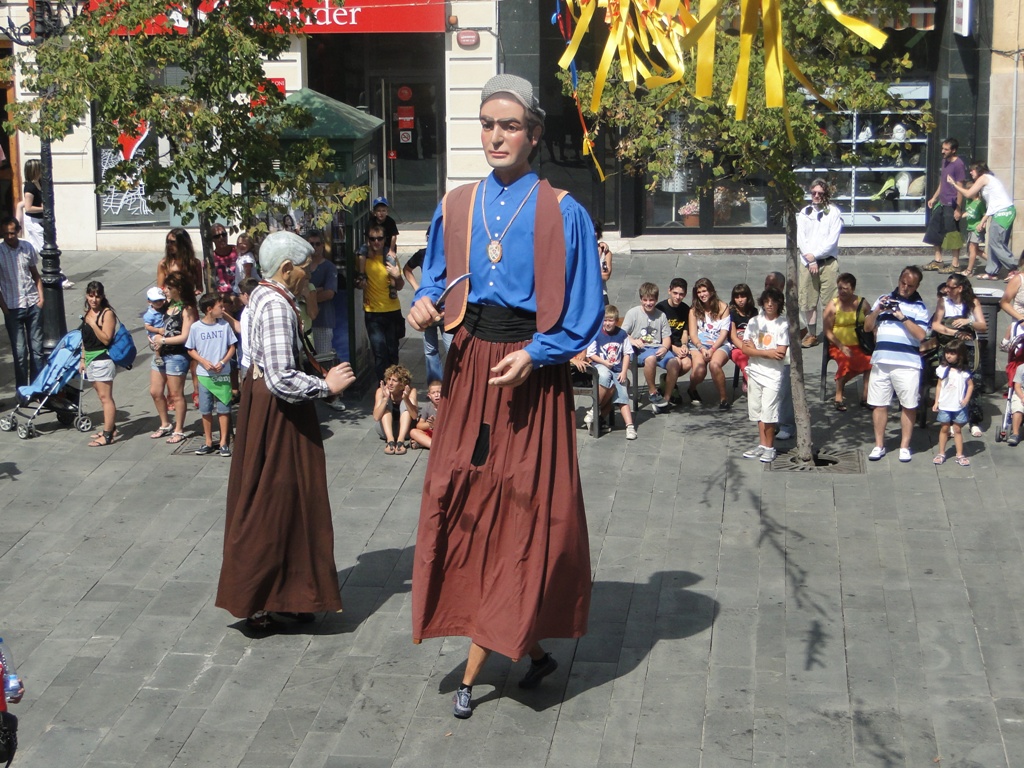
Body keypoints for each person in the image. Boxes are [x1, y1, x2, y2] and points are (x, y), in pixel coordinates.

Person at [405, 73, 602, 720]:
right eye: (488, 124)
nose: (496, 135)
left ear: (534, 135)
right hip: (470, 370)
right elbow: (433, 281)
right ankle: (517, 640)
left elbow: (581, 311)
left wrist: (537, 355)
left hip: (530, 372)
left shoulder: (564, 211)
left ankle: (493, 646)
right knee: (452, 494)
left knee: (523, 508)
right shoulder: (455, 205)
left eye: (510, 125)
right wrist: (425, 306)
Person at [216, 231, 356, 632]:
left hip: (270, 413)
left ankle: (289, 594)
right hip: (279, 415)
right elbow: (280, 378)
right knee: (274, 504)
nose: (310, 276)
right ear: (286, 268)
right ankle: (259, 597)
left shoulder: (261, 294)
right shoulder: (276, 305)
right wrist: (325, 386)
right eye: (306, 269)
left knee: (290, 502)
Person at [863, 266, 930, 462]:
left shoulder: (920, 307)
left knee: (908, 405)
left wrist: (902, 316)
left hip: (907, 364)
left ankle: (904, 446)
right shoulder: (884, 298)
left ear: (917, 286)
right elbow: (867, 327)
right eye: (903, 283)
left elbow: (921, 335)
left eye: (910, 286)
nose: (905, 288)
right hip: (882, 361)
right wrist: (877, 310)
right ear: (899, 280)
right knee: (879, 404)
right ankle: (879, 445)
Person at [930, 273, 987, 436]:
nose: (947, 289)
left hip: (969, 348)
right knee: (949, 382)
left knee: (973, 382)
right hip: (949, 347)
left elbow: (982, 325)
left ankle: (974, 420)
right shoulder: (943, 302)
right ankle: (948, 420)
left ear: (960, 288)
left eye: (950, 287)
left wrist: (968, 322)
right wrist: (954, 333)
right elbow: (936, 324)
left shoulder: (973, 302)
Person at [740, 287, 789, 463]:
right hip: (755, 373)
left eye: (773, 301)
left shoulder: (782, 324)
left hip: (773, 375)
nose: (770, 304)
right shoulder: (754, 322)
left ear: (778, 304)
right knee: (758, 412)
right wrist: (766, 352)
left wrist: (757, 350)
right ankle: (762, 445)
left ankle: (770, 447)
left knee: (769, 412)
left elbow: (780, 353)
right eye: (767, 301)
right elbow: (745, 348)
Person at [947, 161, 1017, 280]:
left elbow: (968, 194)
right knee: (993, 243)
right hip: (999, 213)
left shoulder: (984, 178)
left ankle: (1014, 269)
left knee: (996, 243)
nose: (970, 172)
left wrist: (954, 184)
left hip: (1004, 213)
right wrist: (983, 221)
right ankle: (992, 272)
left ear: (979, 170)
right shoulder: (988, 181)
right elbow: (992, 205)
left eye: (972, 170)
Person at [186, 293, 237, 457]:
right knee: (206, 409)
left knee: (223, 408)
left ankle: (223, 442)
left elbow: (232, 347)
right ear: (209, 309)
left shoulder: (224, 326)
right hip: (204, 375)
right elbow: (190, 349)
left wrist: (222, 362)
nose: (223, 310)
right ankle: (208, 440)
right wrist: (203, 361)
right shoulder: (196, 328)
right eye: (220, 307)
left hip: (222, 374)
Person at [151, 272, 198, 444]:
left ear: (179, 289)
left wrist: (163, 340)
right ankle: (165, 423)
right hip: (160, 353)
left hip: (177, 355)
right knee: (155, 391)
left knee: (176, 394)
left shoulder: (187, 309)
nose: (165, 291)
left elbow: (185, 336)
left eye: (169, 288)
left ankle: (179, 428)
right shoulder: (168, 305)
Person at [796, 178, 842, 347]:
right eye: (813, 193)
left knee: (831, 300)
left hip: (827, 262)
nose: (816, 196)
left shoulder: (833, 212)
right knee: (808, 299)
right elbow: (801, 238)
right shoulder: (804, 212)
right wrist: (810, 258)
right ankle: (812, 334)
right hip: (807, 262)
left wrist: (814, 256)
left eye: (820, 193)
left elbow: (832, 240)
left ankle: (831, 334)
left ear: (826, 194)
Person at [356, 223, 404, 382]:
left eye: (380, 239)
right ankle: (382, 387)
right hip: (373, 313)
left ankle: (394, 385)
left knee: (392, 352)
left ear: (385, 240)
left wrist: (396, 276)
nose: (376, 242)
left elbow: (401, 286)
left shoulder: (390, 258)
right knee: (379, 352)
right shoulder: (363, 259)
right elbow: (357, 281)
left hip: (392, 311)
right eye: (372, 239)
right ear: (368, 240)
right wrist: (360, 283)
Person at [0, 216, 44, 391]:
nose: (9, 237)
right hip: (12, 307)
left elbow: (35, 274)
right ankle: (22, 390)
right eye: (5, 234)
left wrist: (41, 299)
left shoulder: (27, 247)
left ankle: (37, 388)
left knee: (37, 351)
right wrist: (4, 308)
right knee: (19, 353)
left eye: (12, 233)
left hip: (33, 304)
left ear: (18, 231)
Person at [403, 233, 453, 386]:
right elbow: (407, 269)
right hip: (427, 309)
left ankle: (453, 385)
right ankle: (435, 387)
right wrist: (418, 289)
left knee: (451, 348)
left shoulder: (450, 254)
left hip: (446, 310)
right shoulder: (422, 254)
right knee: (430, 351)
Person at [621, 282, 677, 412]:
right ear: (641, 299)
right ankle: (653, 392)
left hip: (657, 347)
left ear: (656, 300)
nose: (648, 303)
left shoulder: (661, 315)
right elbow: (622, 333)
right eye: (645, 300)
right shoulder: (633, 313)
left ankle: (666, 399)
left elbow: (667, 336)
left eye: (651, 300)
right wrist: (633, 340)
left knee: (674, 362)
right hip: (640, 349)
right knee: (650, 359)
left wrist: (664, 347)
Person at [822, 272, 872, 410]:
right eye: (839, 288)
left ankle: (865, 396)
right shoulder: (833, 305)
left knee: (871, 360)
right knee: (845, 361)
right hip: (838, 345)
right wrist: (841, 346)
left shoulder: (862, 302)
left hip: (859, 344)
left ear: (853, 289)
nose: (842, 292)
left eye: (845, 289)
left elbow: (871, 319)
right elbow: (827, 330)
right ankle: (839, 395)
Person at [586, 304, 637, 439]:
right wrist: (604, 362)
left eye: (611, 320)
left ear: (616, 321)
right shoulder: (597, 334)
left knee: (621, 393)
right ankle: (594, 410)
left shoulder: (621, 334)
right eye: (605, 320)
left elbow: (627, 353)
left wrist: (624, 371)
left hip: (617, 369)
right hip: (600, 365)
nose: (608, 323)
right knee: (604, 375)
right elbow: (591, 354)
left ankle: (629, 426)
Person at [79, 281, 119, 447]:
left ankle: (108, 435)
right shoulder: (88, 311)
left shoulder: (107, 314)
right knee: (100, 395)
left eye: (97, 296)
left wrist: (93, 324)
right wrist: (82, 359)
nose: (93, 299)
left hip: (102, 359)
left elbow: (105, 338)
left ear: (102, 296)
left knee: (106, 398)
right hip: (90, 359)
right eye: (91, 296)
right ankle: (111, 427)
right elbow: (84, 339)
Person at [687, 277, 733, 409]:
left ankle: (724, 398)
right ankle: (692, 388)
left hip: (719, 344)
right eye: (699, 292)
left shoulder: (723, 307)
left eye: (705, 291)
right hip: (699, 345)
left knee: (714, 364)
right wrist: (701, 348)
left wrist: (712, 349)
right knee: (700, 370)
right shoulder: (693, 310)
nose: (702, 294)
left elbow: (724, 333)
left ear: (711, 291)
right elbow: (693, 334)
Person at [923, 137, 966, 272]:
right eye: (942, 148)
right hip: (942, 202)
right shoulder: (944, 162)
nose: (943, 151)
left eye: (946, 149)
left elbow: (960, 187)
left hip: (951, 204)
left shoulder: (958, 164)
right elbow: (943, 182)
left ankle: (955, 264)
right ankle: (938, 260)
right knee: (934, 230)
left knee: (953, 233)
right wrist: (934, 197)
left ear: (953, 150)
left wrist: (958, 209)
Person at [931, 338, 973, 466]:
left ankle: (959, 454)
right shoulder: (942, 369)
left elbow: (970, 385)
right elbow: (939, 386)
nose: (948, 355)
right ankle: (941, 452)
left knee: (957, 429)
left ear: (959, 355)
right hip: (945, 403)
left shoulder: (964, 372)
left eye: (952, 353)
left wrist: (966, 399)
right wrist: (936, 401)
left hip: (958, 405)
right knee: (944, 428)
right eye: (947, 352)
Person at [764, 271, 795, 440]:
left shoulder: (789, 307)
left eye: (772, 285)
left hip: (785, 359)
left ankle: (787, 425)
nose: (768, 288)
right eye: (766, 284)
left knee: (783, 394)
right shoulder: (764, 306)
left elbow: (802, 328)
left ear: (781, 287)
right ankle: (773, 423)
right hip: (766, 358)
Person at [656, 277, 693, 403]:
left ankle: (666, 382)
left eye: (681, 294)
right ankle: (669, 395)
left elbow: (685, 331)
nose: (678, 297)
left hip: (678, 343)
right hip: (664, 344)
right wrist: (673, 347)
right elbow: (658, 336)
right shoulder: (661, 308)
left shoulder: (685, 309)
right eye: (675, 293)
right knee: (676, 363)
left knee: (687, 364)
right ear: (669, 291)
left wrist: (684, 345)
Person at [305, 229, 338, 356]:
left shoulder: (329, 267)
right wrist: (317, 291)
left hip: (323, 322)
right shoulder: (302, 267)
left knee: (323, 360)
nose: (314, 247)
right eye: (311, 244)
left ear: (323, 245)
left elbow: (329, 293)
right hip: (304, 322)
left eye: (317, 244)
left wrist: (307, 295)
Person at [373, 364, 416, 455]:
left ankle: (400, 442)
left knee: (405, 404)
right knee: (385, 407)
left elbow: (414, 416)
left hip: (406, 431)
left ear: (402, 384)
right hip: (385, 430)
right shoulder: (381, 391)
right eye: (389, 379)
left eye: (394, 380)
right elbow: (376, 417)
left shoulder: (411, 391)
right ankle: (390, 442)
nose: (390, 383)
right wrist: (385, 398)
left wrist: (406, 398)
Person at [727, 283, 757, 390]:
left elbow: (756, 332)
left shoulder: (753, 312)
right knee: (743, 358)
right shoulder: (731, 313)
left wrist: (752, 348)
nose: (740, 300)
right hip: (736, 347)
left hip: (751, 344)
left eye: (743, 296)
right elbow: (734, 337)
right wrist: (745, 349)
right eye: (737, 297)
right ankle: (752, 385)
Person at [960, 187, 986, 276]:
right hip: (970, 228)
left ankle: (969, 270)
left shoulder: (980, 203)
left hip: (976, 229)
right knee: (976, 250)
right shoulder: (969, 201)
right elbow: (967, 212)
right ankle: (994, 263)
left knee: (972, 249)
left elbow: (984, 215)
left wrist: (983, 224)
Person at [410, 379, 441, 449]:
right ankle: (434, 446)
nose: (436, 395)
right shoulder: (427, 407)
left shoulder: (448, 406)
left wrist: (437, 424)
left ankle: (425, 444)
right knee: (413, 432)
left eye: (439, 392)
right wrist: (429, 424)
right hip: (432, 434)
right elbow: (419, 425)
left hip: (444, 434)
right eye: (433, 393)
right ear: (429, 395)